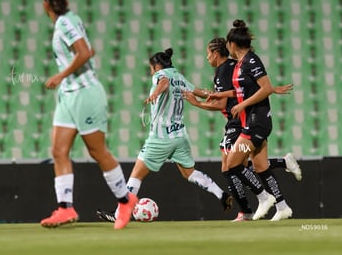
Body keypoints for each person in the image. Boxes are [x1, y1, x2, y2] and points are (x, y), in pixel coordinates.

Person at [97, 48, 233, 222]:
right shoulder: (179, 76)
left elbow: (164, 83)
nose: (151, 72)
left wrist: (155, 93)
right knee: (189, 173)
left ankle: (118, 216)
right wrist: (216, 94)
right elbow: (200, 92)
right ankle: (220, 194)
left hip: (160, 138)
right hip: (180, 136)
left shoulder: (160, 75)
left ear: (156, 66)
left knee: (136, 175)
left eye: (151, 68)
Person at [40, 0, 137, 229]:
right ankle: (65, 208)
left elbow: (83, 52)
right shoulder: (69, 21)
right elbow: (88, 49)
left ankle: (125, 200)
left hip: (85, 93)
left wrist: (60, 75)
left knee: (97, 151)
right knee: (58, 151)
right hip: (69, 96)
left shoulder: (65, 22)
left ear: (45, 6)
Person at [184, 37, 301, 221]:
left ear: (215, 53)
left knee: (231, 165)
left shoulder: (224, 70)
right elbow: (243, 89)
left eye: (208, 53)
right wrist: (271, 88)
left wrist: (196, 104)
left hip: (240, 122)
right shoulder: (234, 65)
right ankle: (280, 197)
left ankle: (254, 205)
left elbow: (222, 103)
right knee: (256, 165)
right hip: (247, 119)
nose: (207, 58)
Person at [207, 20, 293, 221]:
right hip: (251, 121)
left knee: (233, 163)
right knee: (261, 166)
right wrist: (219, 95)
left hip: (257, 121)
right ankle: (282, 207)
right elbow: (243, 90)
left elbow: (265, 88)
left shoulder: (251, 61)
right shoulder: (240, 64)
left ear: (232, 44)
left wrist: (243, 104)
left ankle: (264, 198)